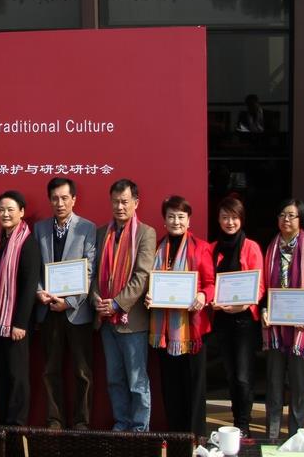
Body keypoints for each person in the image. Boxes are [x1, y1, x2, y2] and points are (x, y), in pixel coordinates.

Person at [145, 195, 214, 437]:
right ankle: (176, 437)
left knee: (194, 387)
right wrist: (149, 297)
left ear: (189, 220)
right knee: (171, 387)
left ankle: (195, 438)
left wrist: (203, 295)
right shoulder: (156, 248)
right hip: (164, 331)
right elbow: (149, 282)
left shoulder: (201, 248)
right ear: (164, 220)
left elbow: (211, 283)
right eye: (171, 216)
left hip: (192, 330)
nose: (176, 221)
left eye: (181, 217)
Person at [90, 179, 156, 431]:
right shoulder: (101, 233)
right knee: (114, 379)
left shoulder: (146, 233)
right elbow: (93, 273)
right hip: (106, 320)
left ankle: (139, 429)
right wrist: (96, 298)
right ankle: (122, 423)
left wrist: (117, 304)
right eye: (115, 202)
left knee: (137, 381)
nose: (119, 207)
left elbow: (142, 276)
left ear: (136, 203)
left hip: (132, 320)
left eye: (125, 202)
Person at [33, 177, 97, 430]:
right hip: (48, 309)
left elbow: (89, 269)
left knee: (82, 371)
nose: (60, 203)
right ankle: (55, 420)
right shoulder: (40, 229)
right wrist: (40, 292)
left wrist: (69, 301)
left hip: (77, 311)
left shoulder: (87, 228)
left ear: (74, 199)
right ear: (49, 200)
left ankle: (82, 422)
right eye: (55, 198)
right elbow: (35, 267)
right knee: (50, 370)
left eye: (64, 198)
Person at [0, 190, 41, 426]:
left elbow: (29, 286)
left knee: (17, 376)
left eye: (10, 210)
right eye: (1, 210)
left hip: (16, 324)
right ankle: (3, 420)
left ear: (21, 212)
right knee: (1, 373)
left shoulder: (27, 243)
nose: (5, 214)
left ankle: (16, 423)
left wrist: (20, 323)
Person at [209, 196, 264, 437]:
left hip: (244, 321)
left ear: (241, 219)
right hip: (222, 319)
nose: (229, 222)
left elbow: (259, 285)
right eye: (225, 217)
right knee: (231, 375)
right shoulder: (212, 248)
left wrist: (243, 305)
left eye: (234, 217)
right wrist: (212, 300)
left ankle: (244, 424)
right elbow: (208, 282)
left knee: (243, 375)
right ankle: (236, 421)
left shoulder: (251, 247)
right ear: (218, 219)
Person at [261, 199, 304, 439]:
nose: (286, 219)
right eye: (282, 214)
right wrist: (264, 309)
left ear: (301, 220)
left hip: (299, 327)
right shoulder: (271, 247)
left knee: (298, 384)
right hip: (274, 326)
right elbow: (263, 284)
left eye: (292, 215)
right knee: (273, 382)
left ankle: (296, 434)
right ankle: (272, 434)